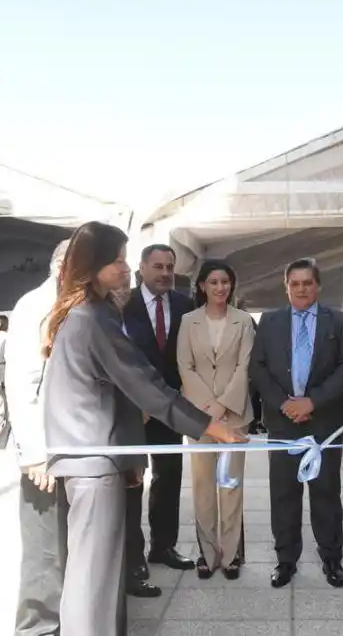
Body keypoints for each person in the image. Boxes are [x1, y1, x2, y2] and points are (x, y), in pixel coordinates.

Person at [41, 222, 240, 636]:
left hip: (95, 459)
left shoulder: (88, 313)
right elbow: (143, 385)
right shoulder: (91, 318)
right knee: (92, 580)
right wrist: (211, 428)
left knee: (96, 573)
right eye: (117, 261)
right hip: (93, 464)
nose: (124, 269)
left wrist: (131, 454)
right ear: (93, 266)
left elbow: (119, 393)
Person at [249, 257, 343, 589]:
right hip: (283, 423)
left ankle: (332, 559)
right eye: (294, 283)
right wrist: (285, 404)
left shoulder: (339, 321)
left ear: (318, 285)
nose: (300, 289)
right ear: (286, 286)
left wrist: (312, 401)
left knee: (326, 491)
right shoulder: (269, 321)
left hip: (324, 422)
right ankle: (286, 560)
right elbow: (258, 368)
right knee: (284, 493)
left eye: (307, 283)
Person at [121, 244, 197, 592]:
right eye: (158, 266)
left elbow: (187, 358)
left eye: (170, 267)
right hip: (133, 410)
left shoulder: (185, 306)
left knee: (168, 477)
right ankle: (133, 558)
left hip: (169, 408)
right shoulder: (122, 305)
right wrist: (139, 402)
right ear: (141, 268)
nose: (165, 273)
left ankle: (163, 546)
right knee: (133, 482)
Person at [5, 240, 68, 636]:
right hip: (44, 452)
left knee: (66, 550)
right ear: (64, 266)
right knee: (44, 554)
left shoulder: (79, 304)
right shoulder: (35, 306)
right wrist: (33, 453)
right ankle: (38, 629)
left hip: (77, 448)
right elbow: (21, 383)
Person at [177, 259, 255, 580]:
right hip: (198, 416)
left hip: (234, 414)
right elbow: (185, 365)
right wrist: (208, 407)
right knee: (203, 485)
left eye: (225, 282)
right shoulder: (188, 321)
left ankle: (231, 553)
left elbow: (244, 366)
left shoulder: (244, 321)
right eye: (214, 282)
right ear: (202, 287)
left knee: (230, 484)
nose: (220, 288)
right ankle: (207, 553)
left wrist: (223, 405)